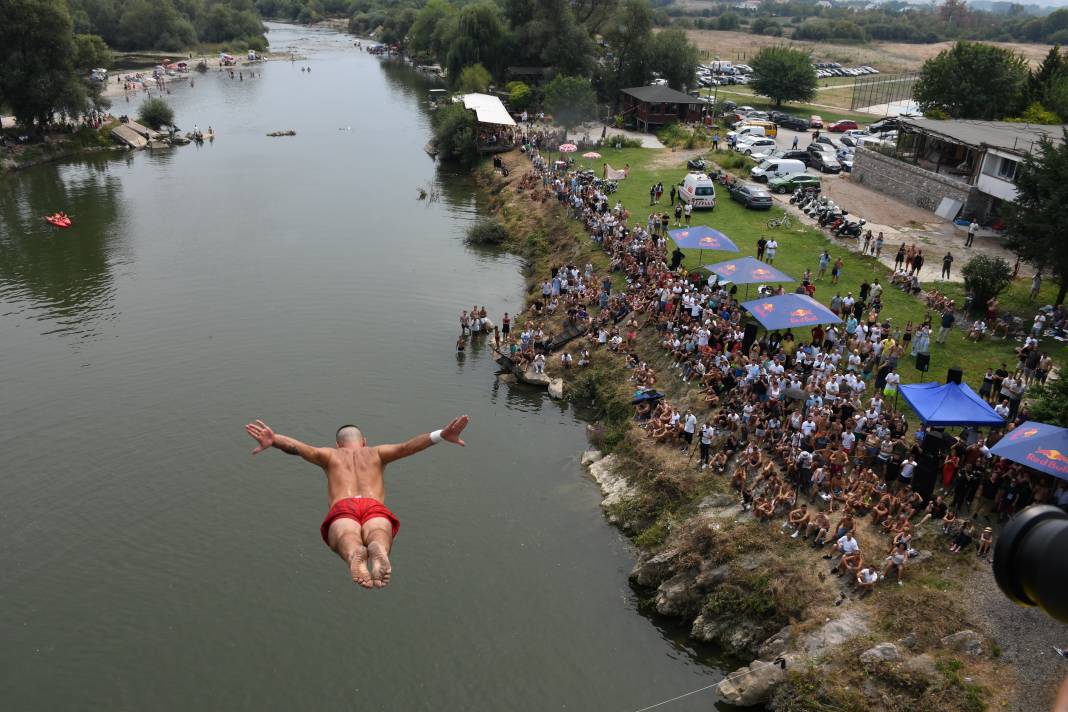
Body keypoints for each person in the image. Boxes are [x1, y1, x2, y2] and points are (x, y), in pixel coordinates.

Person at [243, 416, 469, 588]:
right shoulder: (376, 452)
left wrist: (275, 440)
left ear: (338, 444)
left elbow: (300, 449)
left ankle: (354, 555)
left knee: (344, 537)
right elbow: (407, 447)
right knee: (380, 531)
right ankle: (378, 548)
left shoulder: (330, 455)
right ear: (364, 442)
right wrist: (441, 434)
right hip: (373, 506)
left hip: (344, 508)